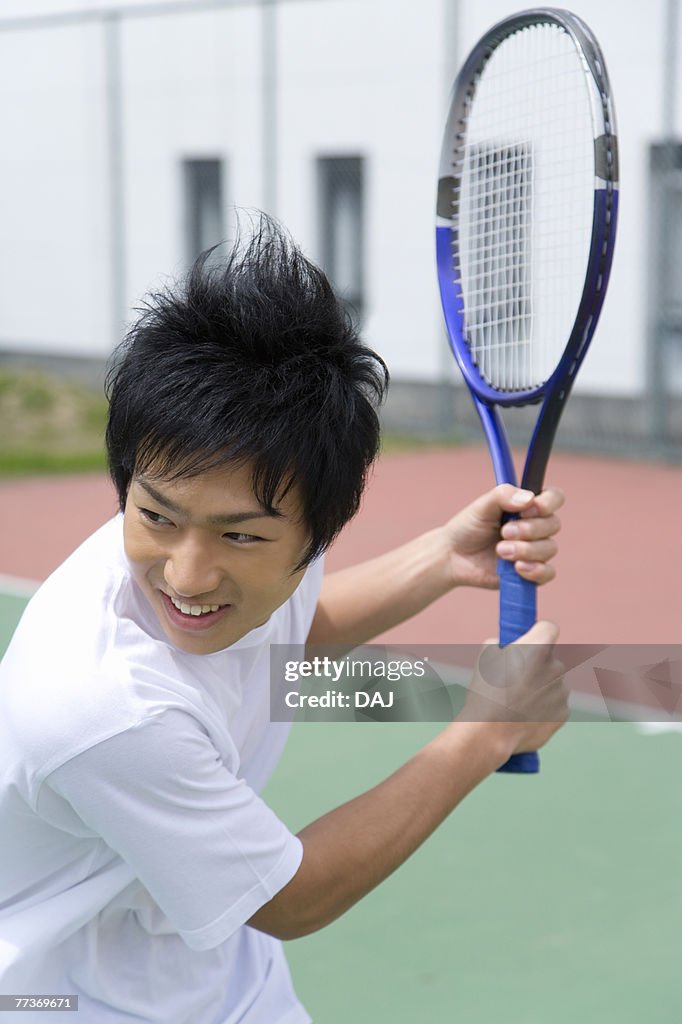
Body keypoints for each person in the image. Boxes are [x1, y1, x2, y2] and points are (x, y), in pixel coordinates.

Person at [0, 217, 567, 1023]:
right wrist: (483, 733)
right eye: (156, 517)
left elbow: (288, 628)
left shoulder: (186, 505)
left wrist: (444, 558)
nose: (188, 574)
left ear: (319, 530)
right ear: (130, 481)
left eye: (241, 536)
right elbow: (292, 897)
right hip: (59, 998)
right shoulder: (102, 707)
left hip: (213, 975)